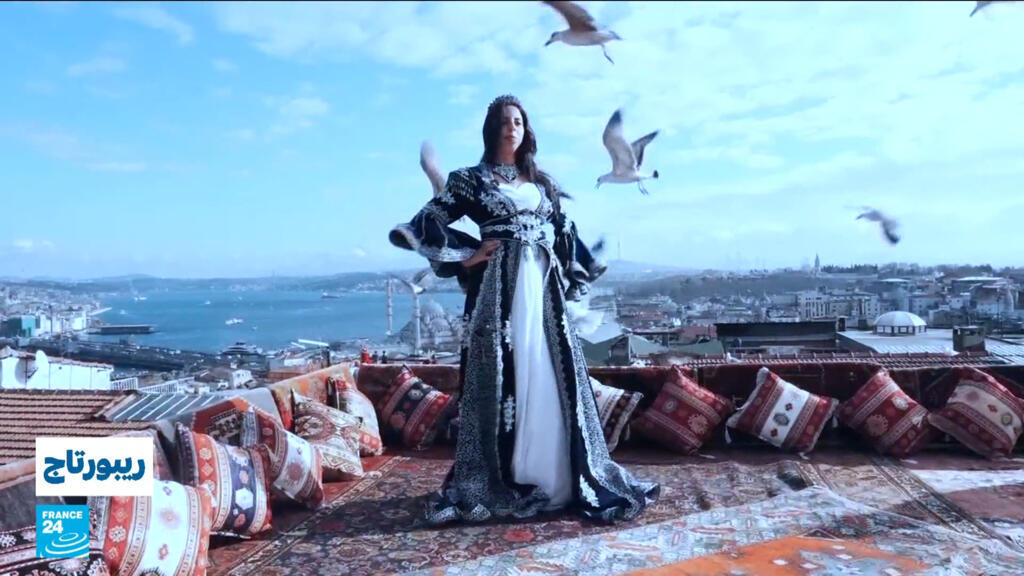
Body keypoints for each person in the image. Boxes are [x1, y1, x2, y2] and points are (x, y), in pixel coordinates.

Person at [389, 94, 658, 525]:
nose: (511, 128)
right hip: (499, 291)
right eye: (503, 121)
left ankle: (560, 477)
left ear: (526, 129)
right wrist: (469, 255)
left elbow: (563, 228)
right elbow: (429, 219)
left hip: (543, 289)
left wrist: (582, 263)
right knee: (505, 373)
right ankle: (509, 475)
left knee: (547, 369)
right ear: (491, 129)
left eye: (518, 121)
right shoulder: (469, 180)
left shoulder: (542, 182)